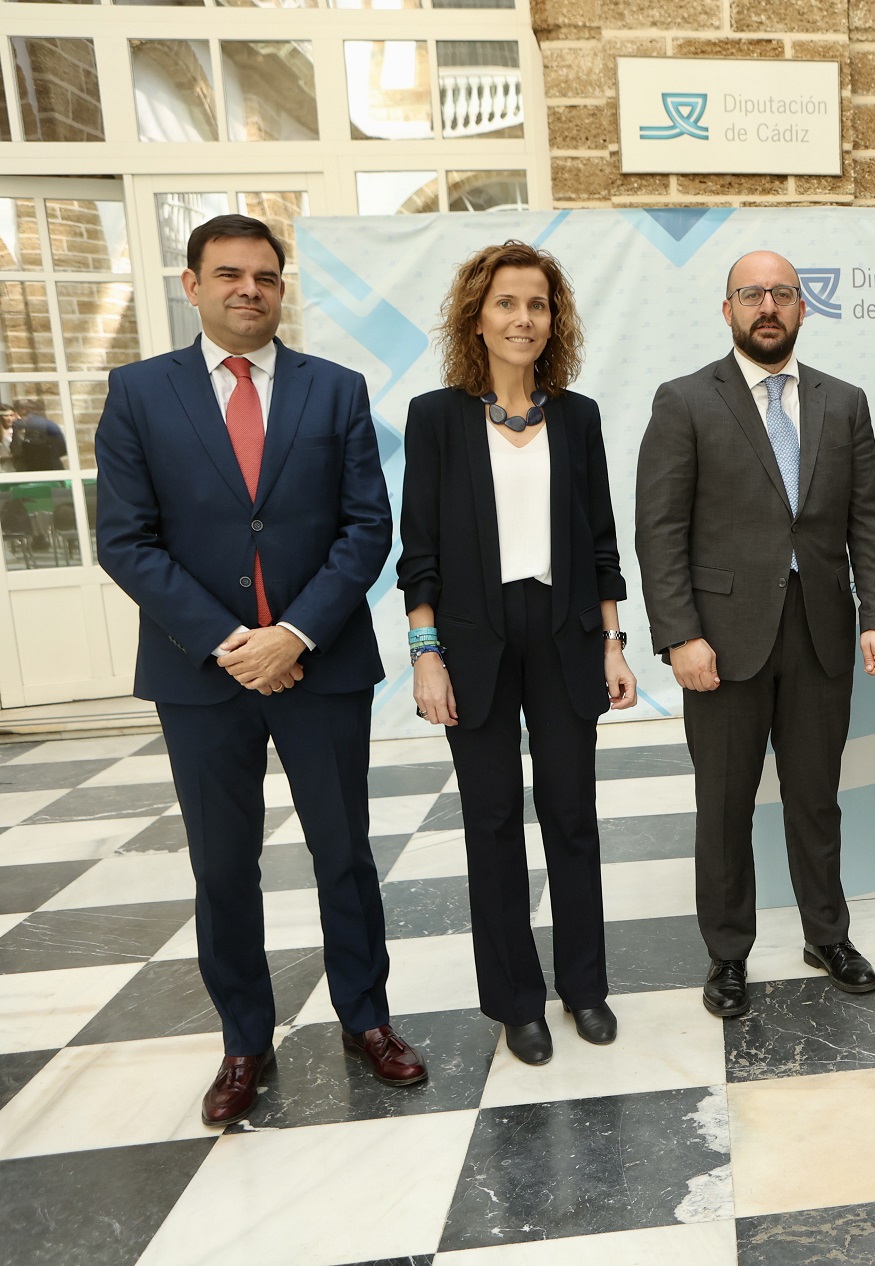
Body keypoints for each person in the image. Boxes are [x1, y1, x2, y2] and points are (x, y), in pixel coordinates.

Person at [94, 214, 424, 1126]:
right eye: (230, 274)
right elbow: (125, 541)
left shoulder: (336, 391)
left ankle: (368, 1019)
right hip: (200, 676)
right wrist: (233, 642)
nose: (251, 289)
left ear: (283, 289)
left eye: (267, 276)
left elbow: (368, 528)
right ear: (193, 285)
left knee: (345, 855)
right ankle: (245, 1041)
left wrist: (296, 634)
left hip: (321, 665)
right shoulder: (137, 393)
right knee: (223, 866)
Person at [636, 250, 875, 1019]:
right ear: (727, 310)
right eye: (751, 294)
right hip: (721, 641)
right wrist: (679, 634)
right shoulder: (685, 400)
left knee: (818, 798)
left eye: (782, 293)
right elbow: (660, 529)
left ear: (801, 307)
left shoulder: (843, 402)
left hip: (820, 631)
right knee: (724, 804)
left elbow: (869, 519)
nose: (768, 306)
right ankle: (727, 954)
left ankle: (828, 934)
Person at [397, 242, 637, 1065]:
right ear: (477, 316)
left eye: (537, 305)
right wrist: (426, 655)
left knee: (573, 818)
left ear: (554, 320)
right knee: (492, 822)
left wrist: (613, 643)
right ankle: (516, 1002)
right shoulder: (436, 419)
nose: (523, 319)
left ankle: (586, 988)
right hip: (472, 643)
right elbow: (418, 549)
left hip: (567, 635)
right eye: (506, 303)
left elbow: (602, 543)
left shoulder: (578, 417)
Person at [9, 397, 68, 472]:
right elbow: (63, 449)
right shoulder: (49, 423)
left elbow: (16, 449)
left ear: (22, 410)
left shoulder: (18, 425)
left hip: (31, 470)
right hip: (54, 468)